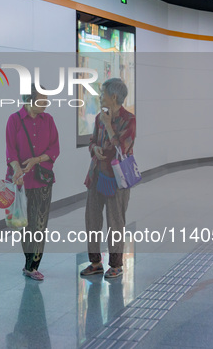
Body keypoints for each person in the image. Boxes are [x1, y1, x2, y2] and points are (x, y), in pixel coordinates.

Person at [80, 78, 136, 279]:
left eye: (102, 93)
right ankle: (95, 262)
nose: (100, 97)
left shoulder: (129, 120)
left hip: (117, 179)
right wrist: (94, 148)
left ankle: (115, 264)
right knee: (92, 221)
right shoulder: (99, 118)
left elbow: (123, 147)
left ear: (113, 97)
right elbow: (93, 141)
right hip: (96, 175)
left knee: (115, 222)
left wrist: (108, 125)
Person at [6, 86, 60, 281]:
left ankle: (32, 265)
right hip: (20, 181)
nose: (46, 102)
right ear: (30, 99)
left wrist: (36, 160)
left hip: (43, 180)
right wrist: (16, 168)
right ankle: (29, 262)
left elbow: (55, 148)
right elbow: (10, 150)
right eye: (42, 98)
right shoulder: (14, 120)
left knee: (40, 224)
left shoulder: (49, 120)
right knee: (25, 224)